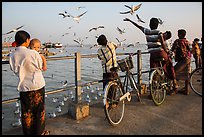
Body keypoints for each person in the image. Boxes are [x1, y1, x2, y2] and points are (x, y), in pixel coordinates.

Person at [123, 17, 178, 95]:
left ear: (149, 24)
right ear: (157, 25)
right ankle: (175, 84)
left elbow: (138, 26)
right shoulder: (159, 32)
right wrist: (167, 52)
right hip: (160, 52)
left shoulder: (147, 31)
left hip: (152, 54)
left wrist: (130, 20)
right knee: (169, 65)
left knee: (152, 69)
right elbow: (163, 44)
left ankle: (153, 90)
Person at [9, 30, 49, 135]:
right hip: (37, 85)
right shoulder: (33, 53)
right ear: (27, 40)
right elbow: (40, 67)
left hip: (24, 87)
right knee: (39, 112)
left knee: (27, 113)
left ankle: (28, 133)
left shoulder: (12, 55)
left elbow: (14, 69)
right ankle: (39, 133)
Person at [171, 29, 191, 95]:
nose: (177, 35)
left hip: (182, 60)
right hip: (188, 59)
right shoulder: (187, 41)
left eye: (178, 33)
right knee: (186, 74)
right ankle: (186, 90)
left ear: (180, 35)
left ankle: (175, 89)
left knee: (173, 72)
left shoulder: (177, 41)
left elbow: (172, 49)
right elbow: (189, 50)